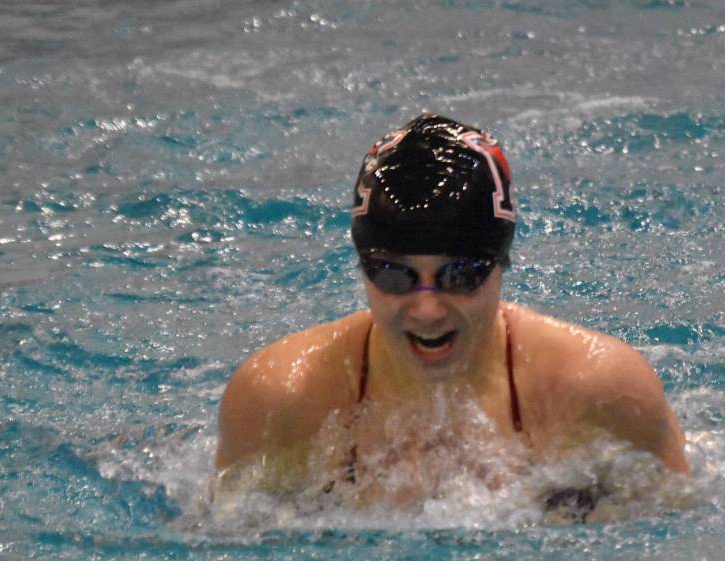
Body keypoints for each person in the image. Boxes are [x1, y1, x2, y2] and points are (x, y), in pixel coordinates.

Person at [213, 114, 689, 515]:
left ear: (501, 263)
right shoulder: (281, 400)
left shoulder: (600, 390)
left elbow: (667, 554)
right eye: (394, 276)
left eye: (459, 275)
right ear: (362, 268)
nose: (427, 308)